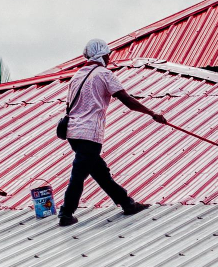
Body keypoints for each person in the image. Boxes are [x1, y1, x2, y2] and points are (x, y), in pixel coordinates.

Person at [58, 38, 167, 227]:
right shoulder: (104, 74)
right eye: (108, 54)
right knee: (79, 174)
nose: (109, 58)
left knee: (100, 172)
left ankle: (127, 203)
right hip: (89, 133)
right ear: (103, 55)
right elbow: (126, 100)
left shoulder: (76, 77)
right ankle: (66, 213)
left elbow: (70, 106)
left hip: (73, 133)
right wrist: (152, 113)